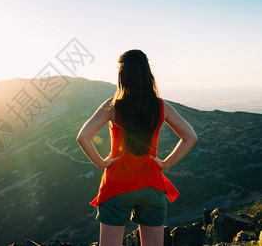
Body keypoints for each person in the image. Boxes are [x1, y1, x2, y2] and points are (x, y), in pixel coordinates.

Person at [76, 50, 197, 246]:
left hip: (117, 186)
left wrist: (101, 163)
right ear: (147, 73)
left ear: (122, 75)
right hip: (152, 186)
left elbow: (83, 137)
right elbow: (190, 137)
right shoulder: (160, 106)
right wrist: (165, 164)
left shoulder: (113, 106)